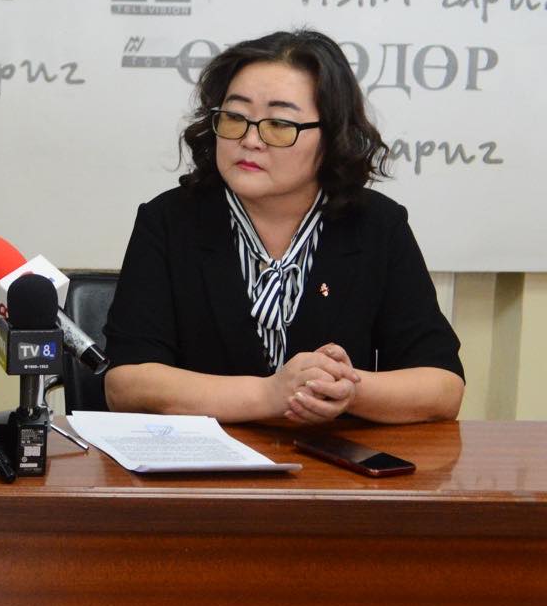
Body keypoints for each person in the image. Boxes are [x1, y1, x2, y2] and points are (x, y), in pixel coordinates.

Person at [104, 29, 464, 424]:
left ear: (332, 136)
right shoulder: (169, 220)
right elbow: (127, 384)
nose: (250, 139)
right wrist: (269, 394)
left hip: (332, 458)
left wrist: (348, 389)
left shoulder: (377, 225)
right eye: (235, 117)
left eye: (279, 124)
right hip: (204, 459)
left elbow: (443, 386)